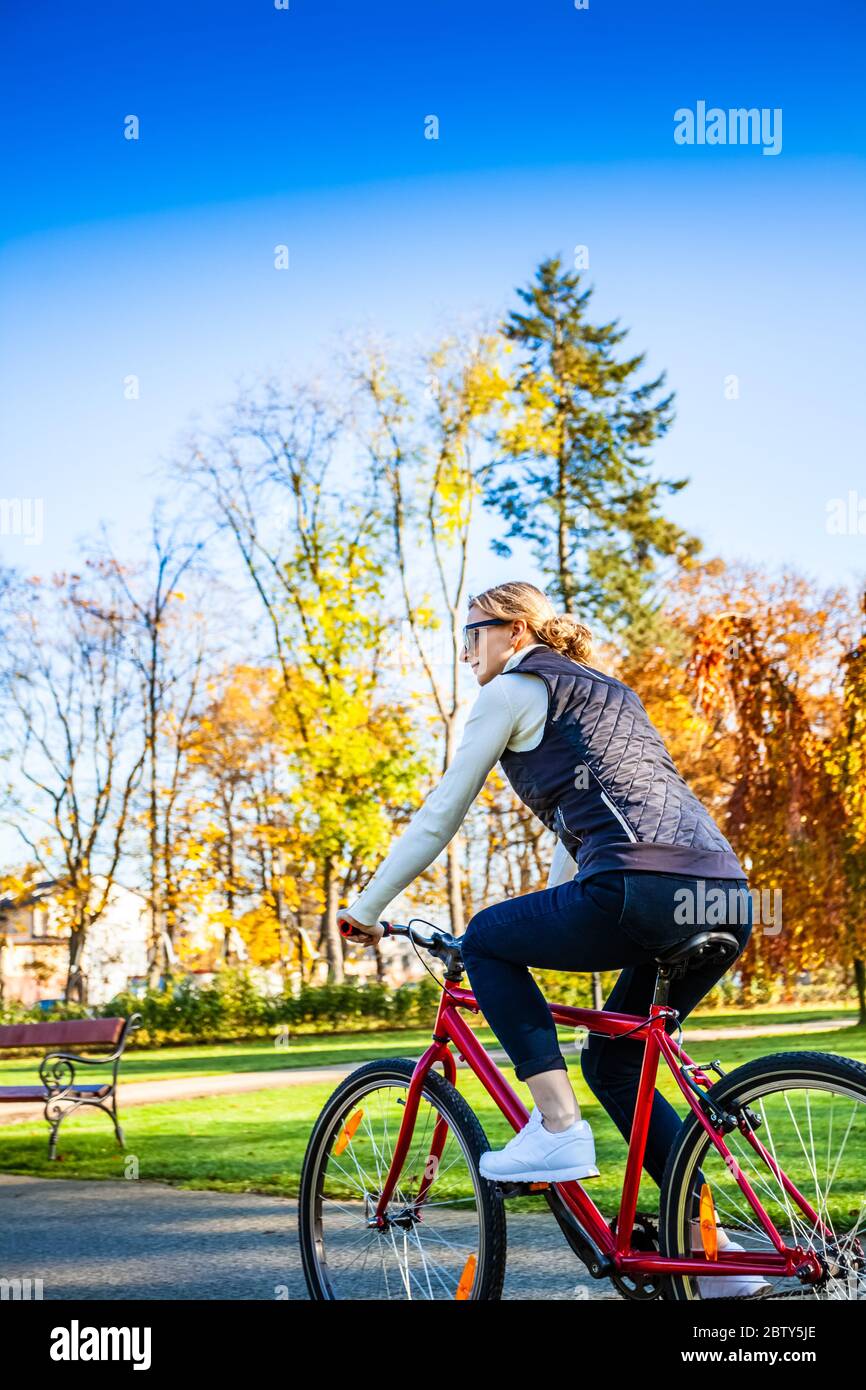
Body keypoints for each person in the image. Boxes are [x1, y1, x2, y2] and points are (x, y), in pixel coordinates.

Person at [339, 581, 764, 1297]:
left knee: (487, 939)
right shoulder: (609, 693)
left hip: (641, 890)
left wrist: (367, 905)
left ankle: (558, 1125)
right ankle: (711, 1255)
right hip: (723, 896)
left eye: (470, 635)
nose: (465, 651)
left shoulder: (511, 689)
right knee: (618, 1063)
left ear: (509, 631)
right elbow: (586, 831)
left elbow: (441, 813)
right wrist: (555, 907)